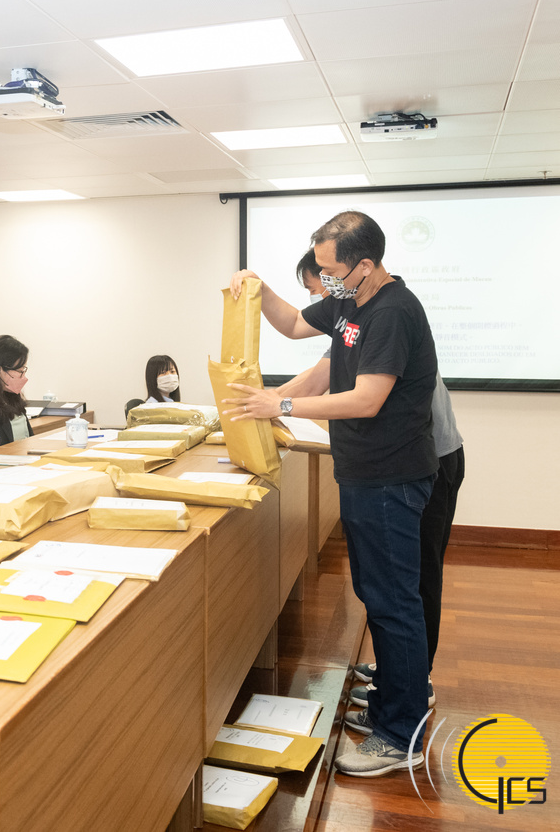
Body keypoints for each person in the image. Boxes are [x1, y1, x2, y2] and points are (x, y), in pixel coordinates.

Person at [225, 211, 438, 778]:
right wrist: (258, 288)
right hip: (365, 472)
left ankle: (402, 735)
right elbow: (294, 324)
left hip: (390, 477)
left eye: (330, 270)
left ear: (364, 265)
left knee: (393, 604)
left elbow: (367, 399)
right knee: (379, 596)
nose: (324, 280)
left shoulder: (391, 311)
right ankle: (393, 707)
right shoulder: (350, 302)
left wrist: (280, 404)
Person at [279, 250, 466, 707]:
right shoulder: (353, 315)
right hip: (395, 465)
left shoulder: (383, 316)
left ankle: (414, 688)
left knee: (412, 584)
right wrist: (255, 405)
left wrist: (272, 404)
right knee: (391, 588)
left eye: (321, 285)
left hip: (427, 460)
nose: (320, 298)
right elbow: (312, 375)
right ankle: (399, 678)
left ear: (355, 269)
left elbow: (331, 388)